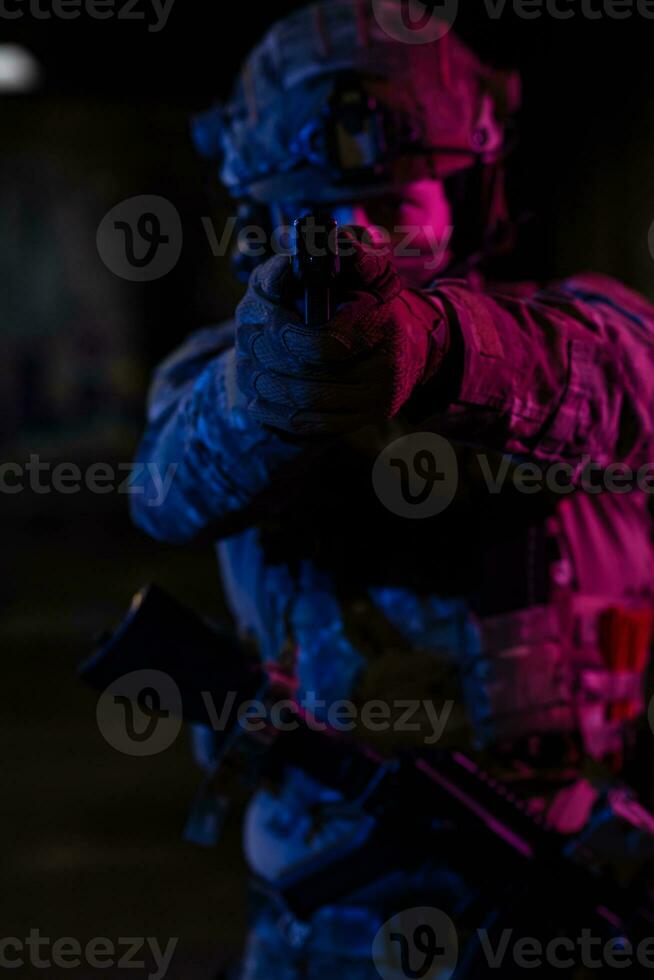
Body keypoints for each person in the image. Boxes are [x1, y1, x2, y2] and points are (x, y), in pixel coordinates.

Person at [131, 2, 654, 975]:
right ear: (260, 216)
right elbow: (166, 486)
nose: (354, 236)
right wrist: (272, 389)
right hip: (331, 926)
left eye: (390, 200)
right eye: (316, 208)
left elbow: (630, 385)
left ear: (471, 190)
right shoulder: (222, 372)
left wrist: (444, 349)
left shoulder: (578, 333)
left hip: (571, 895)